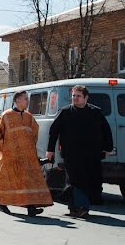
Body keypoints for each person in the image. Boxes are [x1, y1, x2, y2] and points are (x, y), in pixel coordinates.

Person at [46, 84, 114, 218]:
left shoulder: (95, 112)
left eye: (78, 96)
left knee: (86, 180)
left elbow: (106, 131)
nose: (75, 98)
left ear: (86, 98)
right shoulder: (65, 112)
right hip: (71, 154)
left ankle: (75, 208)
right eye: (73, 96)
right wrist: (50, 150)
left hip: (91, 153)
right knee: (75, 180)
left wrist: (107, 148)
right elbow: (53, 132)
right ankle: (81, 207)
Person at [0, 90, 54, 216]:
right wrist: (3, 150)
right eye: (25, 98)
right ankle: (3, 204)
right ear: (18, 100)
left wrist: (30, 148)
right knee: (10, 181)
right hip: (10, 157)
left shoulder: (29, 116)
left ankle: (31, 207)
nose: (28, 101)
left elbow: (34, 133)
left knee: (29, 181)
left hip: (27, 156)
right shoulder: (6, 116)